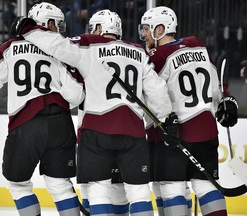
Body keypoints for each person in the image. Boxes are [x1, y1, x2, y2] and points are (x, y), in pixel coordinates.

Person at [12, 7, 178, 216]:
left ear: (99, 28)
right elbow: (157, 89)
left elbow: (56, 45)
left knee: (98, 191)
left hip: (96, 131)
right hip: (133, 131)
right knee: (138, 193)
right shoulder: (138, 51)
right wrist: (165, 118)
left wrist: (29, 30)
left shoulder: (88, 45)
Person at [0, 2, 85, 216]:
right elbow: (76, 95)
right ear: (47, 23)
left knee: (18, 184)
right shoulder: (60, 50)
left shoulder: (11, 47)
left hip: (25, 124)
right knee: (60, 185)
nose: (58, 30)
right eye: (57, 25)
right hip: (60, 124)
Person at [138, 6, 238, 216]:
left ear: (160, 30)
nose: (144, 34)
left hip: (171, 134)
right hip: (206, 131)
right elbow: (216, 82)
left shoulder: (156, 56)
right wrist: (227, 100)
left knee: (172, 189)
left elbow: (147, 94)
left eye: (147, 28)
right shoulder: (197, 46)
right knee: (207, 187)